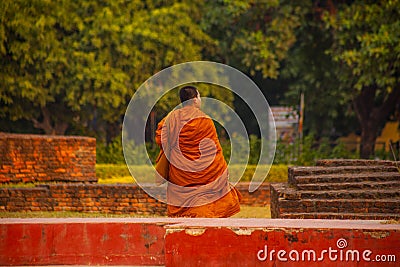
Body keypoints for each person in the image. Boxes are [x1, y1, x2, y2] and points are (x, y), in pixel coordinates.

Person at [155, 85, 241, 217]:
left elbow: (162, 139)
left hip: (181, 177)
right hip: (205, 176)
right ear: (195, 100)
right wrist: (223, 171)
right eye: (200, 97)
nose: (200, 100)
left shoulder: (171, 118)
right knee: (206, 205)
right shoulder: (205, 120)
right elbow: (214, 151)